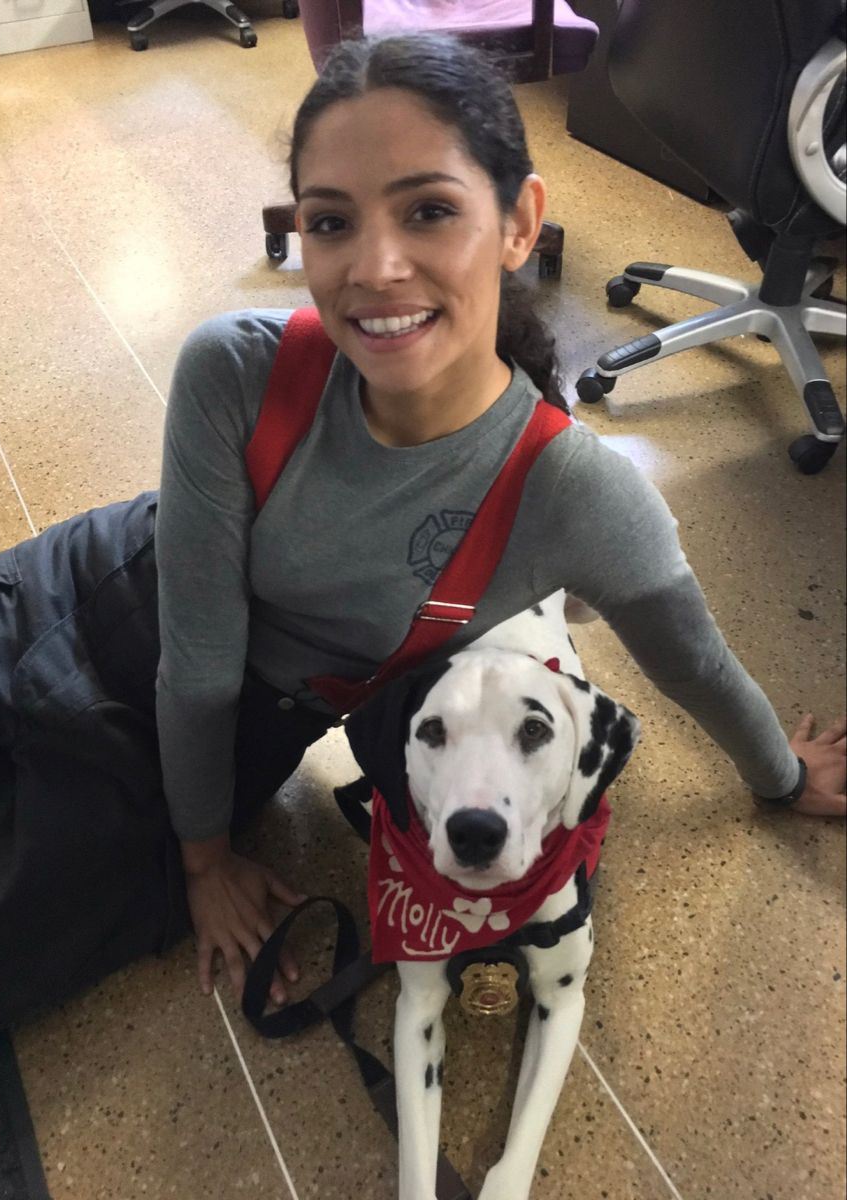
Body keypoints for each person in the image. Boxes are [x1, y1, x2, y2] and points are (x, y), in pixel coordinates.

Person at [153, 31, 846, 1014]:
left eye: (429, 211)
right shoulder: (235, 366)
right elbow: (196, 665)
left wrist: (778, 777)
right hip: (125, 611)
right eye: (331, 222)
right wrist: (204, 861)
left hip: (232, 727)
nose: (374, 267)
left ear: (519, 223)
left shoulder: (570, 491)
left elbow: (691, 662)